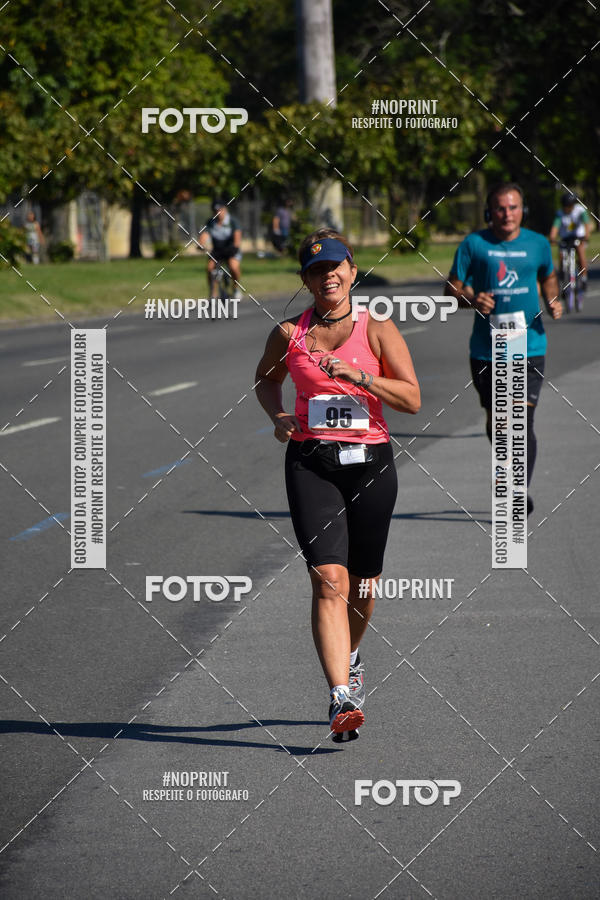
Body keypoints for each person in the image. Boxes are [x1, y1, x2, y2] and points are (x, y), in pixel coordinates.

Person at [255, 228, 420, 741]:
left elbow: (412, 399)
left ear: (351, 270)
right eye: (315, 270)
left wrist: (361, 378)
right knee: (330, 579)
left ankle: (351, 654)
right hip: (312, 462)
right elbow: (265, 379)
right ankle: (340, 695)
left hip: (371, 465)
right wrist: (279, 414)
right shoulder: (289, 334)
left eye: (336, 267)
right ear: (306, 280)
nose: (327, 276)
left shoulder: (377, 329)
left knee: (365, 582)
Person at [445, 182, 562, 516]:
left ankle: (518, 487)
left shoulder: (538, 244)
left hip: (529, 344)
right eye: (500, 207)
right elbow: (451, 288)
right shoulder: (474, 244)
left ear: (522, 209)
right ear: (489, 211)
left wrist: (552, 299)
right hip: (487, 349)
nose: (507, 214)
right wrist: (471, 298)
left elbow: (548, 276)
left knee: (521, 419)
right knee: (497, 422)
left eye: (513, 207)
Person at [198, 199, 242, 299]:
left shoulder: (232, 221)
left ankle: (235, 288)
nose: (218, 213)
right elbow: (204, 235)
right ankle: (213, 292)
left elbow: (237, 238)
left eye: (220, 210)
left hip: (231, 249)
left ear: (225, 209)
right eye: (215, 211)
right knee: (209, 268)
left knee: (233, 267)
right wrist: (201, 244)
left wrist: (235, 247)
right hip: (217, 250)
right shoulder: (211, 222)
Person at [549, 192, 591, 290]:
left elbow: (586, 224)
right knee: (561, 255)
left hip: (579, 236)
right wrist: (552, 238)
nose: (566, 208)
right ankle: (563, 278)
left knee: (580, 253)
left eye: (568, 206)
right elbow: (555, 227)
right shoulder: (560, 213)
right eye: (565, 206)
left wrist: (586, 236)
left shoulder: (580, 210)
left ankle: (584, 277)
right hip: (566, 238)